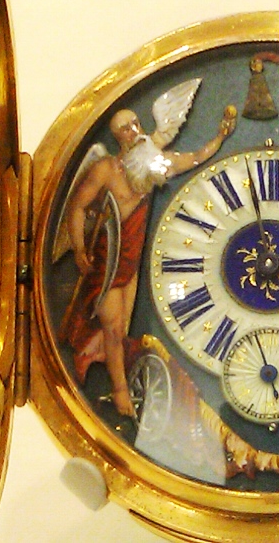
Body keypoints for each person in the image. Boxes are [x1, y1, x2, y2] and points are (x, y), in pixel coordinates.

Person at [64, 105, 236, 416]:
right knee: (113, 327)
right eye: (125, 129)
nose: (134, 131)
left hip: (131, 261)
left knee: (121, 328)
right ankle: (120, 392)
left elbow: (195, 158)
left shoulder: (152, 163)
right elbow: (77, 207)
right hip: (108, 259)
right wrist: (78, 249)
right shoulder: (105, 169)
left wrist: (221, 136)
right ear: (117, 138)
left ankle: (114, 376)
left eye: (135, 124)